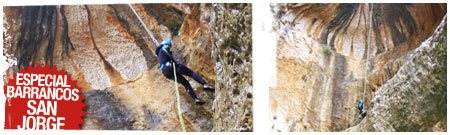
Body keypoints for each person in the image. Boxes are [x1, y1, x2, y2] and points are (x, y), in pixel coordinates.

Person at [155, 40, 214, 105]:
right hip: (171, 66)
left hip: (166, 73)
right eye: (168, 45)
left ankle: (195, 99)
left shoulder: (159, 56)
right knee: (191, 73)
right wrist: (173, 61)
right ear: (165, 44)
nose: (169, 47)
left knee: (185, 83)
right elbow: (166, 52)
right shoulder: (163, 48)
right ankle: (205, 84)